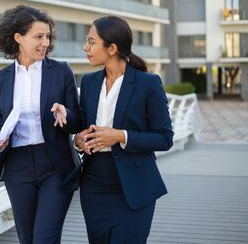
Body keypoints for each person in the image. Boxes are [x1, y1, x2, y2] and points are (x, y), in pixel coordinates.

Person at [0, 5, 80, 244]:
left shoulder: (61, 71)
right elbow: (1, 125)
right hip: (17, 167)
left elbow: (77, 120)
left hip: (54, 164)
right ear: (18, 38)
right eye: (38, 37)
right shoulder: (0, 79)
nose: (45, 42)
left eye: (47, 36)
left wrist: (66, 114)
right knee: (27, 239)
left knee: (45, 238)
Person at [74, 15, 174, 243]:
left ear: (112, 48)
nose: (85, 47)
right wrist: (78, 139)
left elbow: (164, 138)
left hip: (134, 185)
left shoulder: (148, 84)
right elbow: (82, 128)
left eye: (91, 41)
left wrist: (120, 136)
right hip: (94, 185)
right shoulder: (89, 83)